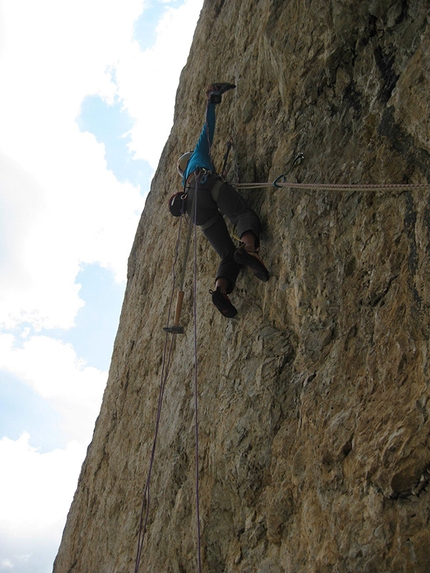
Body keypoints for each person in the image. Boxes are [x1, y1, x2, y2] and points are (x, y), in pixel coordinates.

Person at [169, 83, 269, 318]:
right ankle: (249, 248)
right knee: (242, 215)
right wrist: (212, 100)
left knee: (226, 253)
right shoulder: (198, 156)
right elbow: (207, 128)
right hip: (206, 184)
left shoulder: (185, 183)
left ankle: (220, 290)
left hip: (197, 213)